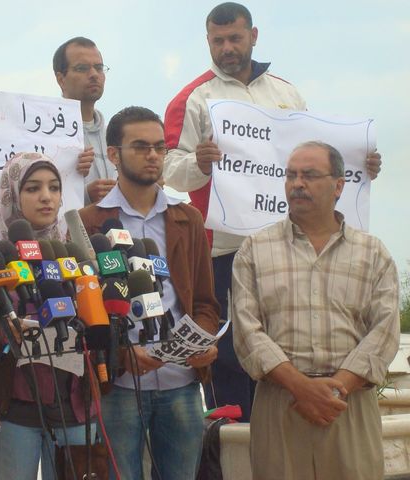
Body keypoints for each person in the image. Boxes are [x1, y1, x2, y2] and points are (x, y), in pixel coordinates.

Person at [163, 2, 383, 421]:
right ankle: (236, 432)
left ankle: (291, 421)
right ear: (207, 41)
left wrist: (361, 167)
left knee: (289, 336)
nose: (227, 48)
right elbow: (169, 171)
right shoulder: (193, 98)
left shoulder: (286, 92)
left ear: (254, 35)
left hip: (289, 245)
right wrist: (201, 164)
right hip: (222, 248)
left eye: (235, 38)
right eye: (218, 40)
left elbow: (320, 159)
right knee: (229, 349)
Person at [231, 141, 399, 480]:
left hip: (348, 407)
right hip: (281, 404)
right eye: (290, 175)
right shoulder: (254, 250)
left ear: (338, 185)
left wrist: (337, 387)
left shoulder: (373, 253)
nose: (297, 184)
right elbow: (248, 332)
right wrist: (300, 387)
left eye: (309, 175)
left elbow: (383, 331)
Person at [79, 106, 220, 479]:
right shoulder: (87, 222)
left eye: (159, 147)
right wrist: (121, 353)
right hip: (119, 385)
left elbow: (206, 302)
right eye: (140, 146)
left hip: (182, 383)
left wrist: (203, 343)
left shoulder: (187, 218)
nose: (153, 155)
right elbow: (84, 311)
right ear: (113, 154)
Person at [0, 151, 95, 480]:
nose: (46, 197)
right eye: (33, 188)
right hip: (16, 413)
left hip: (77, 410)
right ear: (12, 194)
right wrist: (3, 333)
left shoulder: (75, 256)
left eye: (54, 188)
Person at [53, 37, 117, 205]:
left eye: (99, 67)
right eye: (82, 68)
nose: (94, 75)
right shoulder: (47, 134)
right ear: (61, 79)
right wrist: (86, 195)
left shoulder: (115, 135)